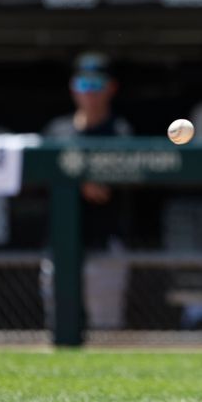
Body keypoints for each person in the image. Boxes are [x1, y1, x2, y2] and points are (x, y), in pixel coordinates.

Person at [42, 51, 133, 330]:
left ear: (111, 88)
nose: (90, 93)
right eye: (84, 85)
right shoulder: (57, 131)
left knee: (105, 330)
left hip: (103, 244)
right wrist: (77, 181)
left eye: (96, 85)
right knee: (58, 328)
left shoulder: (119, 132)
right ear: (73, 87)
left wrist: (84, 180)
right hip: (58, 246)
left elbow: (106, 190)